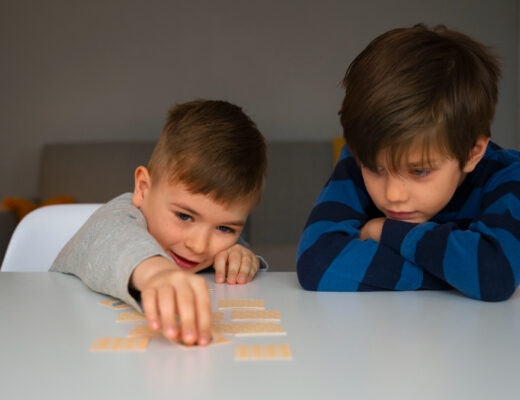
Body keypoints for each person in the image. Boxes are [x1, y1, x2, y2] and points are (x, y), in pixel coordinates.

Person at [297, 24, 520, 301]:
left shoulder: (508, 176)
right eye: (375, 169)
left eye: (420, 171)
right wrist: (458, 277)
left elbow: (494, 275)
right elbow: (317, 263)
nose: (393, 195)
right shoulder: (359, 158)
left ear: (472, 153)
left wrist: (385, 230)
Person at [52, 99, 268, 345]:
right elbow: (114, 242)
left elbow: (227, 259)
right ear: (143, 189)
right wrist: (158, 272)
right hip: (64, 341)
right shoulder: (117, 219)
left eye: (224, 228)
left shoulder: (207, 246)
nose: (199, 245)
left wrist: (240, 257)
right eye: (184, 216)